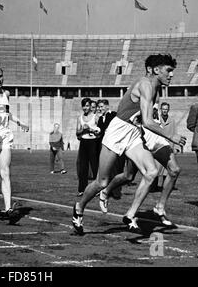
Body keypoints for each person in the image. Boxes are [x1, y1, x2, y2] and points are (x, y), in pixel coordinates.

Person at [72, 54, 186, 235]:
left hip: (133, 133)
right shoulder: (146, 85)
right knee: (101, 181)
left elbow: (145, 123)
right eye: (168, 71)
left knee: (151, 172)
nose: (171, 75)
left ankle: (130, 214)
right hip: (118, 131)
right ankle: (79, 208)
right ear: (156, 70)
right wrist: (171, 136)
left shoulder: (155, 89)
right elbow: (148, 122)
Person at [99, 112, 182, 227]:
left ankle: (159, 207)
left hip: (157, 139)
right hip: (141, 141)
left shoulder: (155, 96)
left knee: (174, 170)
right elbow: (132, 120)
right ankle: (106, 191)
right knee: (128, 176)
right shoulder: (138, 97)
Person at [0, 65, 29, 224]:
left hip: (4, 137)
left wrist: (19, 121)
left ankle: (8, 208)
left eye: (0, 76)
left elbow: (6, 112)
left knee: (5, 172)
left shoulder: (6, 94)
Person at [76, 98, 100, 196]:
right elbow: (77, 133)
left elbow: (100, 132)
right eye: (84, 106)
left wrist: (90, 129)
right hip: (83, 142)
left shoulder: (96, 117)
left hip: (93, 142)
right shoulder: (80, 118)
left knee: (94, 166)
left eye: (87, 106)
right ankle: (82, 189)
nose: (85, 108)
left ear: (90, 106)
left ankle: (98, 189)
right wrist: (82, 129)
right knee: (83, 167)